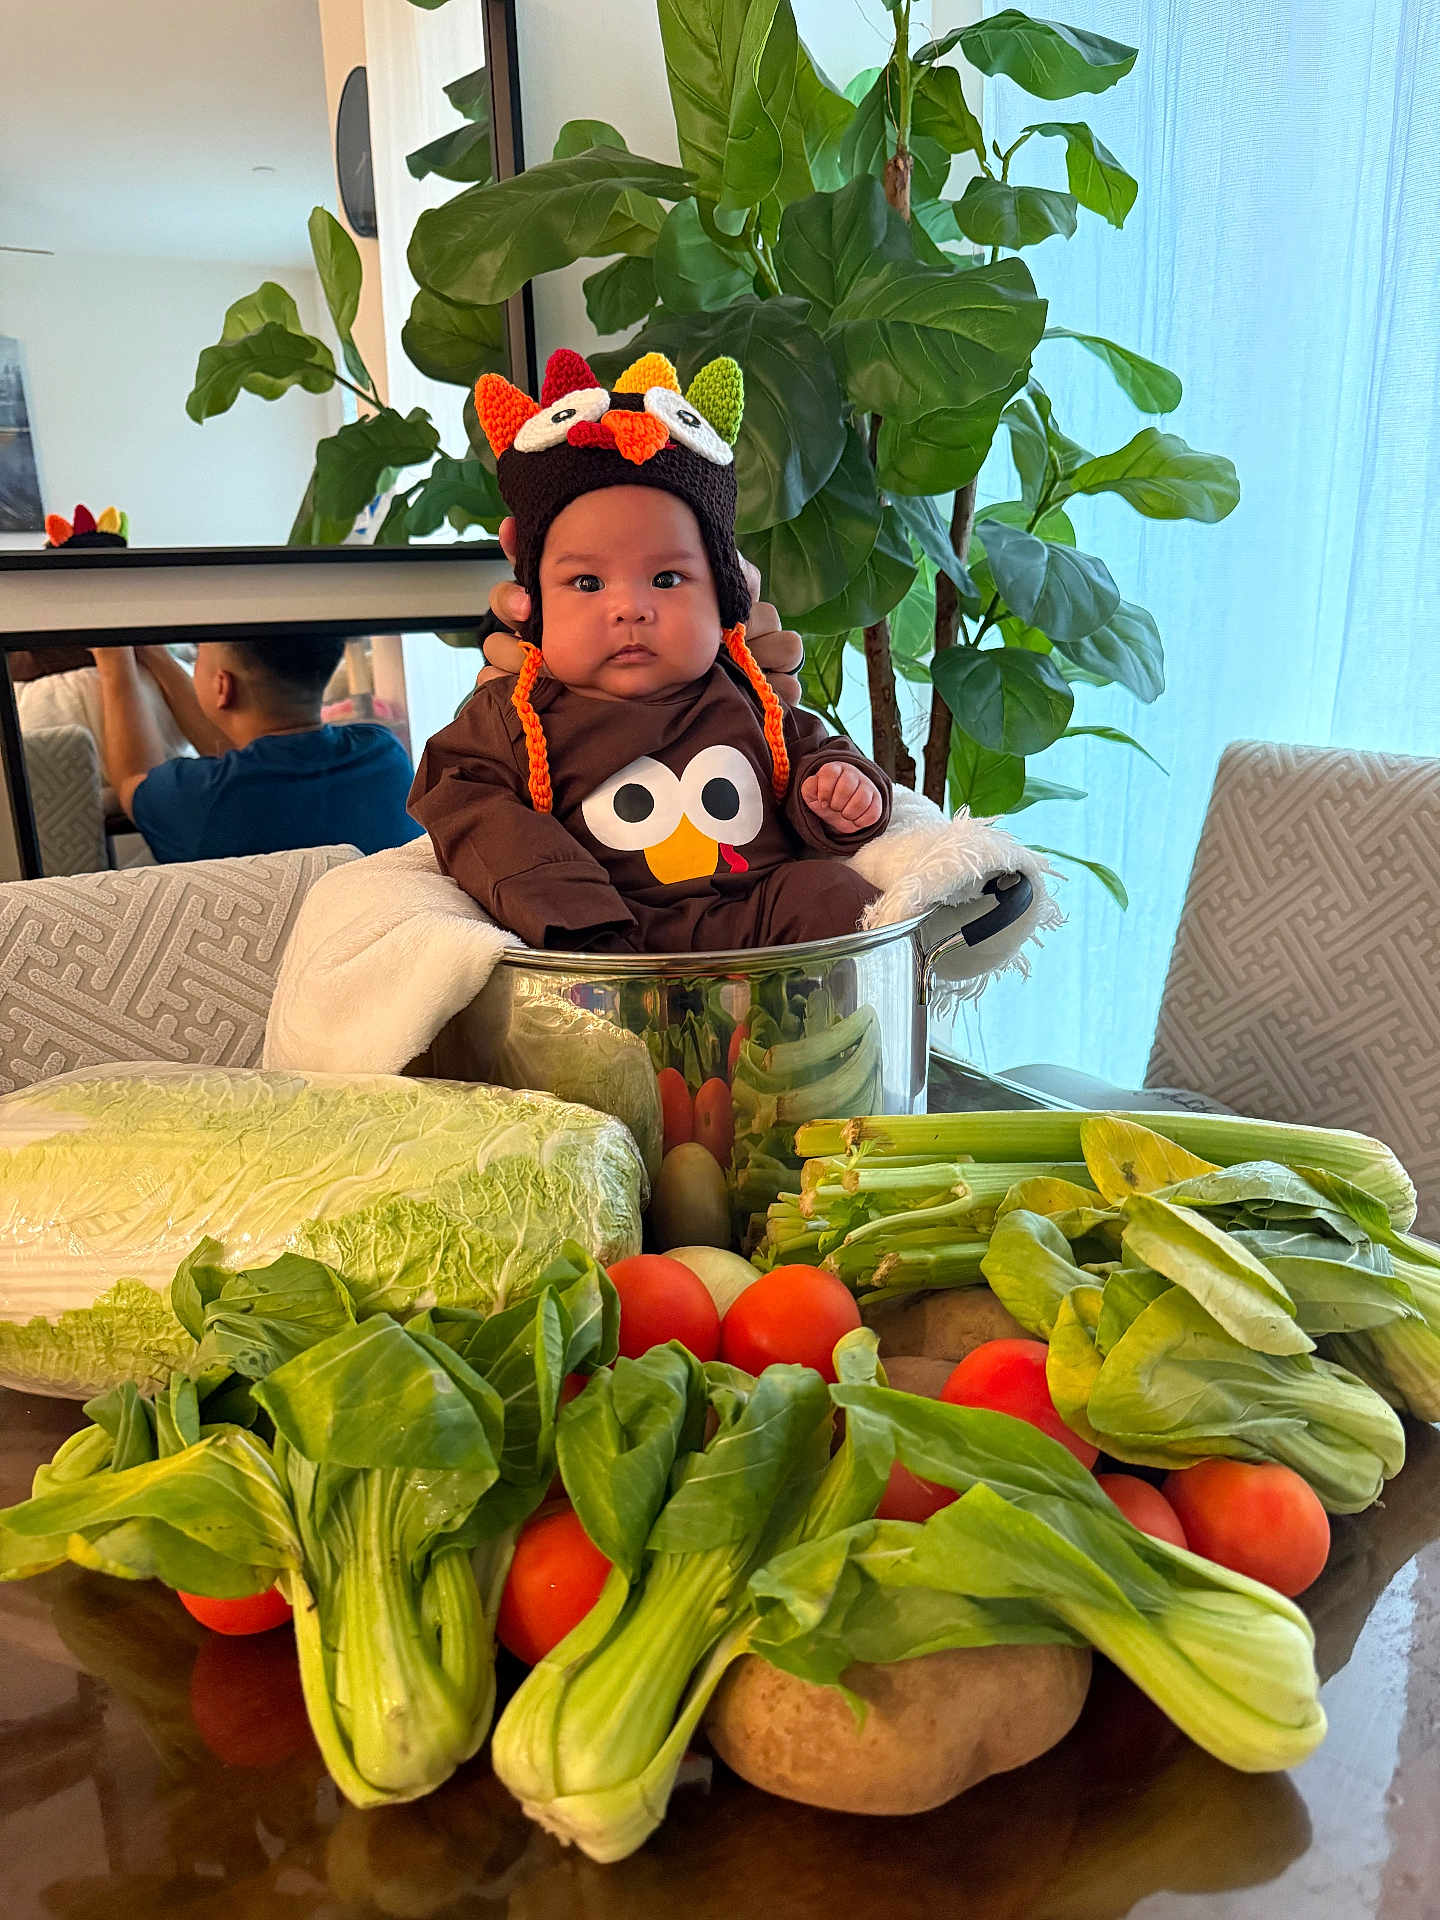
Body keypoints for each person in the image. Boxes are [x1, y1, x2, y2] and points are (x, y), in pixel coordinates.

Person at [409, 347, 891, 953]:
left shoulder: (748, 695)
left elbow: (811, 758)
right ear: (532, 603)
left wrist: (839, 791)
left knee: (834, 895)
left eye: (667, 579)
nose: (630, 609)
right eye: (587, 583)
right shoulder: (515, 718)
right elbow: (461, 794)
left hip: (758, 917)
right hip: (612, 932)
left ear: (725, 597)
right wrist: (568, 906)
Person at [94, 636, 424, 863]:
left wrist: (114, 662)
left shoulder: (196, 798)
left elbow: (133, 777)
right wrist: (156, 655)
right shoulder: (383, 754)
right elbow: (249, 758)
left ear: (222, 686)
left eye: (199, 652)